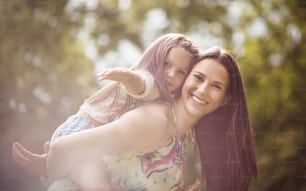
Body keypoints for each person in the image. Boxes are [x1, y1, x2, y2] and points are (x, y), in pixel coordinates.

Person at [45, 46, 258, 191]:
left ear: (225, 99)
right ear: (185, 79)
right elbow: (63, 148)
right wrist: (53, 176)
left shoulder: (183, 140)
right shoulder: (156, 121)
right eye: (198, 78)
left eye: (216, 86)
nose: (202, 90)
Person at [11, 33, 199, 188]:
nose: (172, 74)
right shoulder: (149, 81)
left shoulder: (160, 101)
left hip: (84, 136)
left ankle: (49, 166)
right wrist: (127, 77)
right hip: (80, 130)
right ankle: (49, 167)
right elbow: (142, 84)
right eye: (167, 64)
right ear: (154, 59)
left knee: (92, 177)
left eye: (181, 72)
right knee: (97, 183)